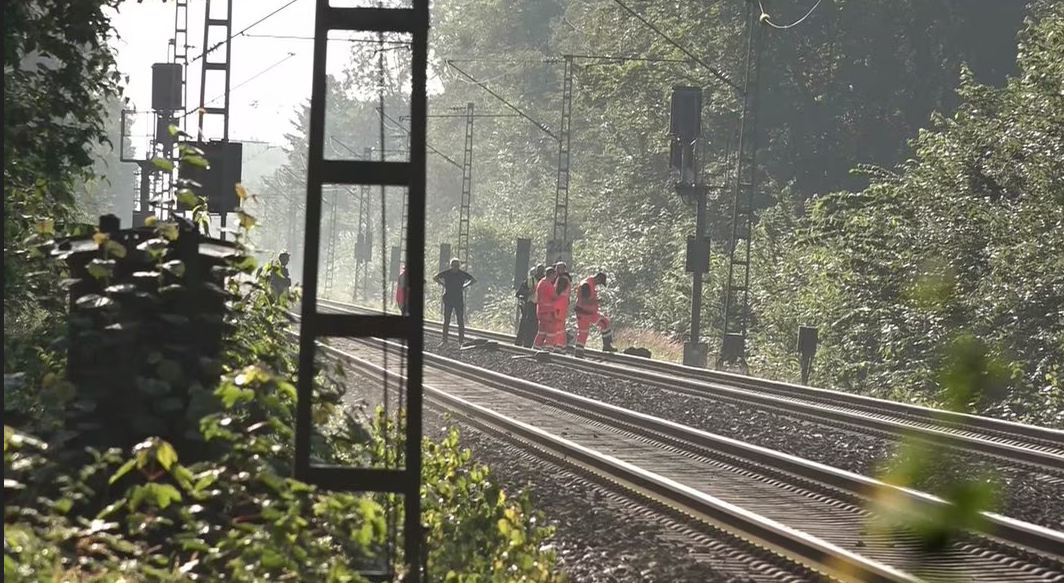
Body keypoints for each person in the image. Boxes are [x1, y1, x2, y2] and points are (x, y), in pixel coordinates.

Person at [433, 258, 475, 345]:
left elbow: (473, 280)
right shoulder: (454, 273)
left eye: (457, 266)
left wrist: (464, 286)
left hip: (456, 299)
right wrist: (444, 284)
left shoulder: (457, 273)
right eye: (454, 266)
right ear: (451, 265)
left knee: (459, 320)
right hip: (451, 299)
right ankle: (445, 340)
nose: (455, 267)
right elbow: (435, 278)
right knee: (447, 320)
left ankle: (460, 341)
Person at [574, 271, 616, 355]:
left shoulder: (590, 283)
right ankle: (578, 351)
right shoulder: (586, 284)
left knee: (604, 322)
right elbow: (584, 300)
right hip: (583, 313)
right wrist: (597, 300)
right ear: (598, 278)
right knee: (583, 332)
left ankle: (607, 345)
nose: (599, 285)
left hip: (590, 312)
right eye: (600, 282)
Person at [515, 263, 545, 347]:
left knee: (537, 325)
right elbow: (519, 293)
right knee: (528, 323)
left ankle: (534, 342)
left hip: (542, 306)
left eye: (542, 270)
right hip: (530, 305)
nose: (540, 272)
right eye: (539, 269)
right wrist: (528, 292)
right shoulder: (530, 280)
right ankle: (525, 342)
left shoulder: (546, 280)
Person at [532, 266, 558, 350]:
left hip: (540, 310)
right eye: (554, 275)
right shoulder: (548, 285)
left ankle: (537, 345)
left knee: (542, 330)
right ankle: (549, 347)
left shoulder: (541, 282)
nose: (554, 277)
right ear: (551, 275)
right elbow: (555, 296)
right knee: (551, 330)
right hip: (548, 311)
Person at [553, 262, 573, 349]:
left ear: (564, 269)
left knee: (559, 324)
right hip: (561, 304)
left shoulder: (563, 279)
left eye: (559, 268)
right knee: (559, 324)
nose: (557, 270)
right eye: (557, 268)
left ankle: (560, 344)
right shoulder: (561, 278)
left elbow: (557, 292)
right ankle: (560, 343)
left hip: (560, 304)